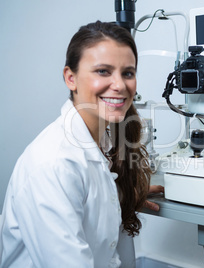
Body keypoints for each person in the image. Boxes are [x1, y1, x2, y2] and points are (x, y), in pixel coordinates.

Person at [0, 21, 163, 267]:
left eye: (128, 73)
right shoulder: (53, 164)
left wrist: (121, 195)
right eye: (103, 71)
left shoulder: (101, 145)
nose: (119, 85)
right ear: (71, 78)